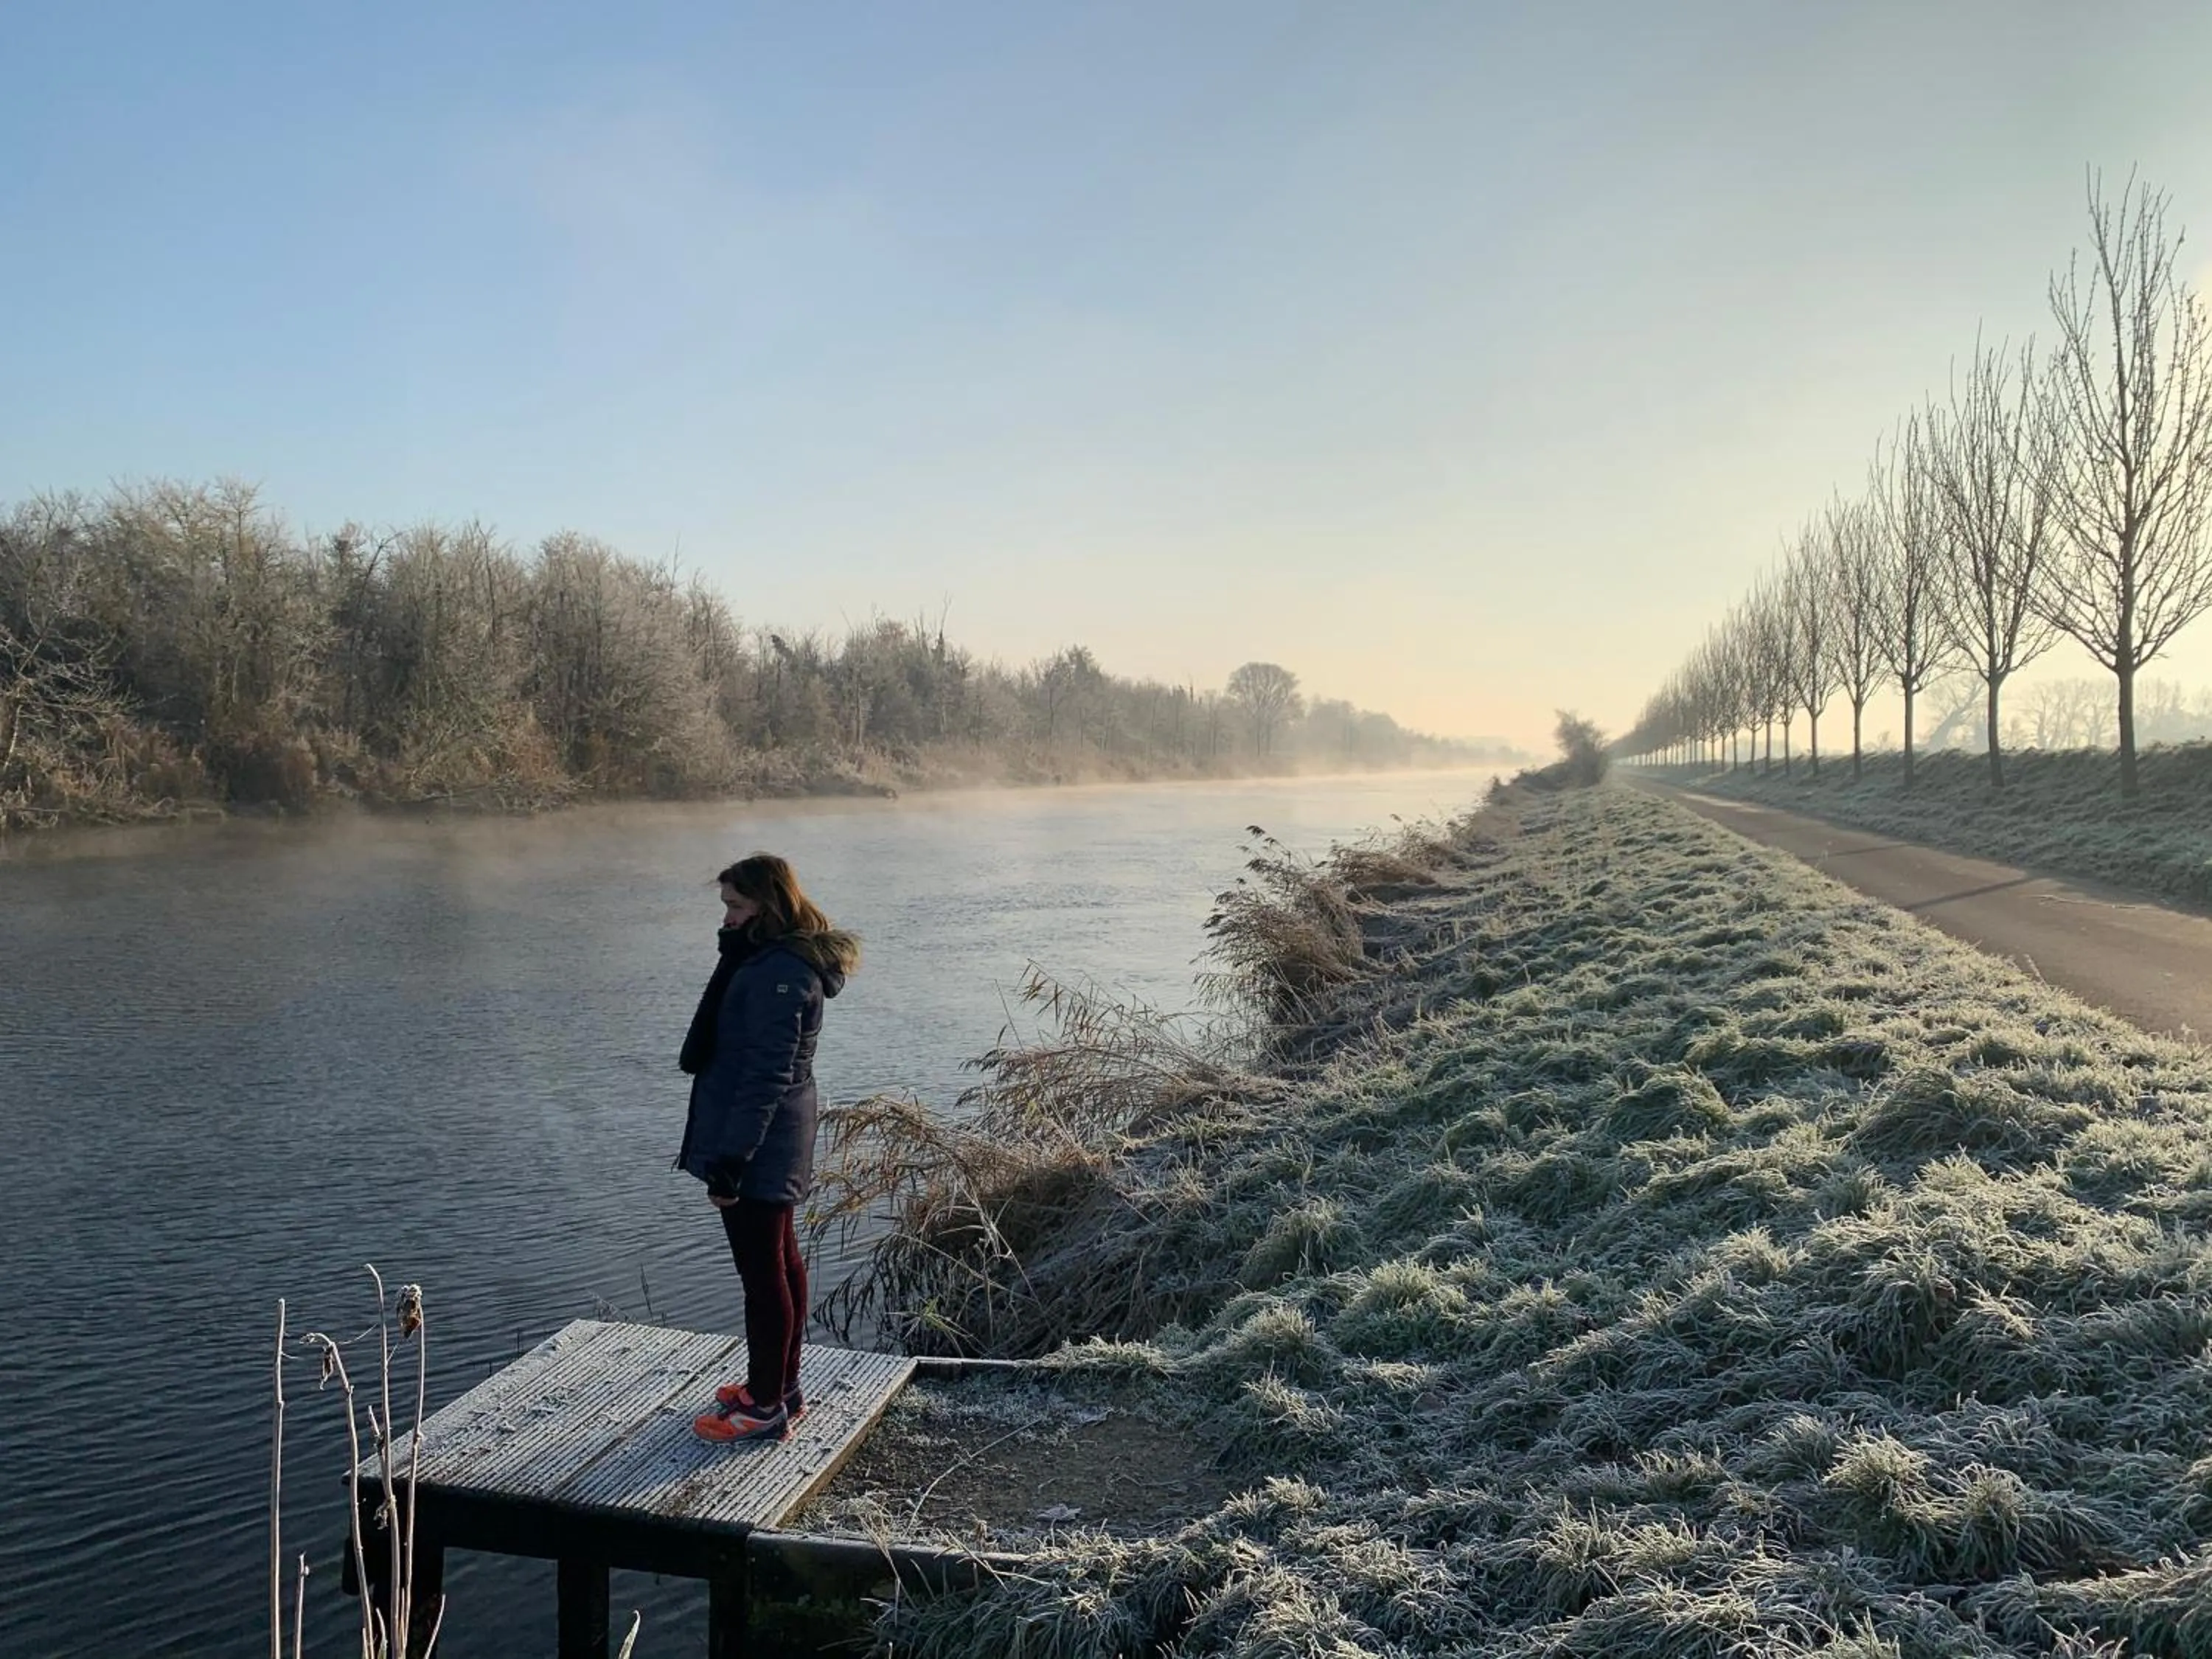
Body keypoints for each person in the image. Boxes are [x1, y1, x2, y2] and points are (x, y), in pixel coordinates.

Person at [677, 852, 860, 1443]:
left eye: (735, 906)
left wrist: (731, 1163)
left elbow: (766, 1077)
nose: (726, 917)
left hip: (760, 1142)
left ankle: (764, 1406)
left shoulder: (781, 975)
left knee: (763, 1276)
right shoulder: (764, 960)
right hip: (767, 1136)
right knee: (780, 1262)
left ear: (767, 904)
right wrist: (734, 954)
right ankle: (781, 1387)